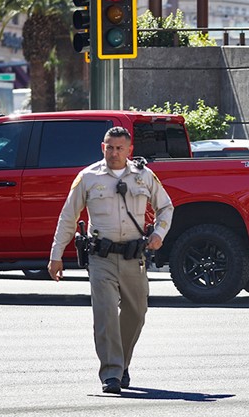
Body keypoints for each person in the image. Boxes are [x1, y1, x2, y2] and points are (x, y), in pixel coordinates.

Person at [48, 126, 174, 396]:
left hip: (134, 256)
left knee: (137, 312)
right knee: (105, 314)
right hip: (101, 258)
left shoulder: (143, 175)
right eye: (109, 147)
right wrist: (56, 255)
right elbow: (68, 217)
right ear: (102, 147)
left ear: (130, 150)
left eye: (119, 148)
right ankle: (111, 373)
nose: (114, 152)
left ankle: (122, 362)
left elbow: (166, 206)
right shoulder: (88, 177)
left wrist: (160, 234)